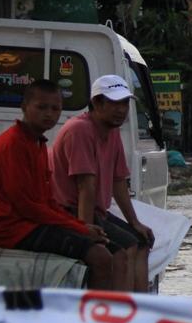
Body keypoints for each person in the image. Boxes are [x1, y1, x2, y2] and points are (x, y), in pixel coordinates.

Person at [0, 80, 116, 289]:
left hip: (30, 222)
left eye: (55, 109)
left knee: (107, 246)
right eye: (41, 107)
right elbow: (27, 206)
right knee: (101, 257)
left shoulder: (39, 144)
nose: (49, 114)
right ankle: (93, 319)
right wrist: (77, 227)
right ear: (24, 107)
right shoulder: (13, 144)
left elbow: (48, 201)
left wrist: (81, 226)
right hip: (13, 229)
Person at [51, 74, 155, 293]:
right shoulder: (79, 130)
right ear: (97, 103)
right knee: (122, 252)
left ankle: (140, 309)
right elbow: (85, 187)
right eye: (114, 103)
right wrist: (85, 230)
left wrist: (134, 222)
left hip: (97, 211)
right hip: (68, 210)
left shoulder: (112, 130)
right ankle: (118, 315)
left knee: (142, 242)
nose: (121, 110)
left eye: (125, 103)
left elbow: (118, 182)